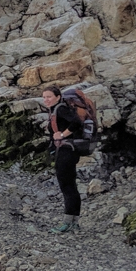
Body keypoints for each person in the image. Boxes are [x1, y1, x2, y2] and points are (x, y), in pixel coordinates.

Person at [41, 85, 82, 233]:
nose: (46, 100)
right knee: (71, 186)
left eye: (49, 97)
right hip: (68, 150)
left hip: (67, 151)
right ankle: (74, 222)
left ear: (58, 97)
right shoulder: (57, 109)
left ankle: (66, 223)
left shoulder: (61, 109)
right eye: (44, 97)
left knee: (67, 186)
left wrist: (62, 135)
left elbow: (77, 122)